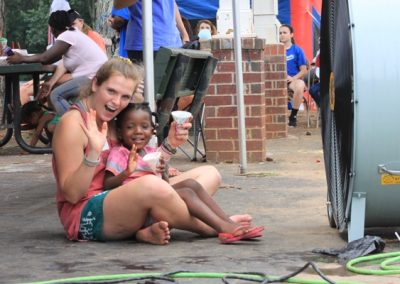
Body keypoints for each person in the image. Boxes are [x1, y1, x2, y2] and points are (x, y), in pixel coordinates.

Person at [52, 58, 251, 244]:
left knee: (209, 174)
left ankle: (146, 229)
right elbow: (72, 195)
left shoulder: (111, 117)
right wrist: (93, 153)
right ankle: (214, 227)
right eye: (111, 91)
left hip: (125, 197)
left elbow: (144, 162)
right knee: (152, 185)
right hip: (85, 215)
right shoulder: (73, 124)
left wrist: (171, 143)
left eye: (125, 97)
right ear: (95, 84)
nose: (116, 102)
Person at [103, 102, 263, 243]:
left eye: (144, 127)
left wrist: (163, 172)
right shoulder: (119, 153)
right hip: (136, 210)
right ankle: (224, 227)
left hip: (156, 206)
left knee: (191, 184)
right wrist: (126, 172)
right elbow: (107, 184)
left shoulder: (150, 152)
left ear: (153, 130)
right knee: (186, 192)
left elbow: (163, 187)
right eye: (130, 127)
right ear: (119, 131)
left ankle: (227, 221)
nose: (138, 131)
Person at [6, 10, 108, 116]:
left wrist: (22, 58)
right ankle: (51, 119)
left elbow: (45, 58)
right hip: (95, 75)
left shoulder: (67, 36)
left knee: (56, 95)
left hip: (93, 77)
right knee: (49, 86)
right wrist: (51, 83)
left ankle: (76, 124)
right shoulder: (73, 33)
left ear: (52, 28)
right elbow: (61, 62)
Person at [114, 0, 189, 63]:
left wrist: (184, 34)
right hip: (147, 43)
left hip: (174, 43)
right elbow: (118, 4)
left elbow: (172, 4)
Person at [279, 24, 307, 127]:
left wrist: (293, 78)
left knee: (300, 85)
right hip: (277, 81)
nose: (282, 35)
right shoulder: (275, 49)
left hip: (292, 81)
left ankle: (293, 116)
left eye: (284, 32)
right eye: (280, 33)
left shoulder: (297, 50)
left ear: (291, 35)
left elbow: (304, 70)